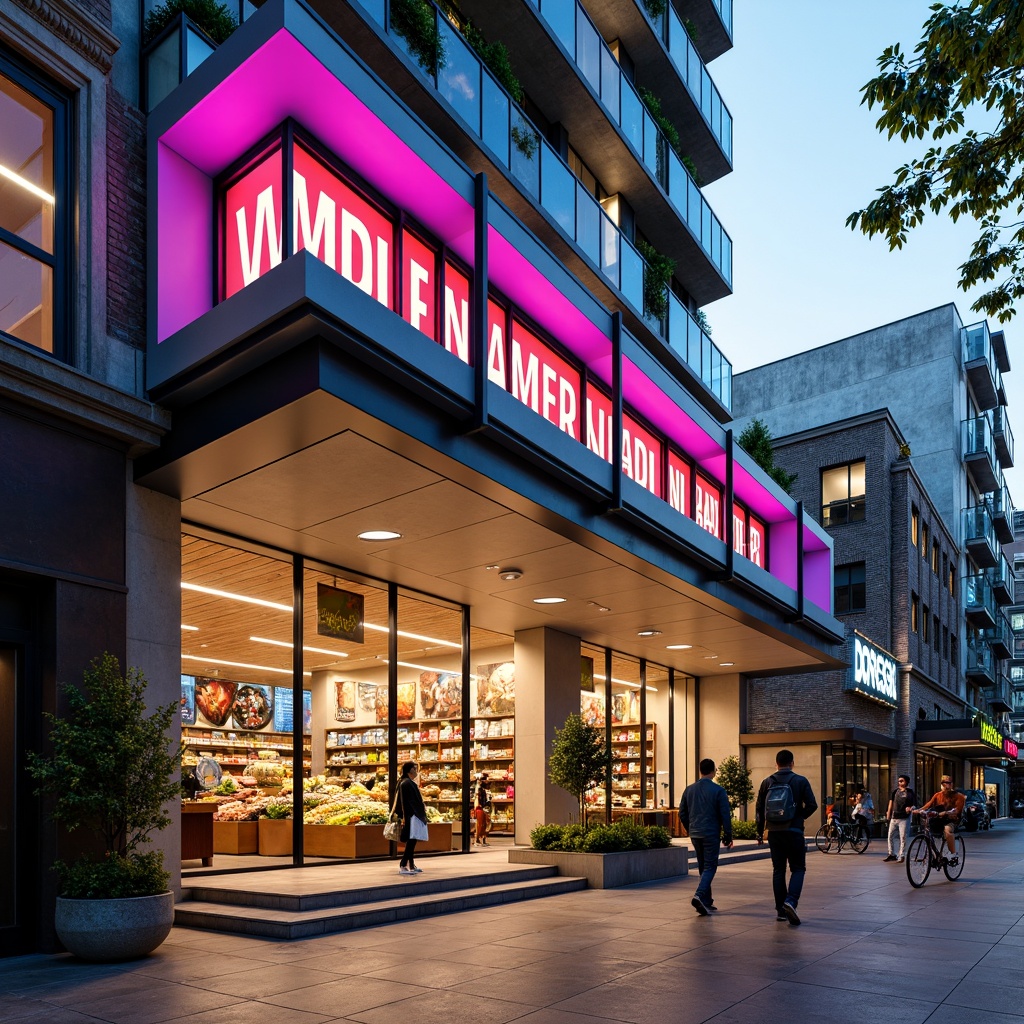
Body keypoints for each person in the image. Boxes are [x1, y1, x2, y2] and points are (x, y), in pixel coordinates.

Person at [755, 749, 817, 926]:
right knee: (798, 868)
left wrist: (760, 833)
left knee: (778, 870)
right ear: (792, 763)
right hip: (794, 830)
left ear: (776, 764)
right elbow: (812, 805)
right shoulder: (800, 780)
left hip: (774, 832)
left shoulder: (767, 782)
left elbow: (759, 810)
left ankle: (780, 911)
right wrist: (799, 817)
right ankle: (791, 901)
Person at [679, 758, 734, 916]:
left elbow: (682, 812)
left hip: (696, 833)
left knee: (703, 866)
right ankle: (699, 895)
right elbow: (725, 815)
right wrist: (728, 835)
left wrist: (690, 828)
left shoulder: (689, 790)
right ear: (713, 771)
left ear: (700, 771)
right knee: (710, 866)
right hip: (710, 833)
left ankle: (707, 900)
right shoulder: (718, 790)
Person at [913, 775, 964, 858]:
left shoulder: (959, 796)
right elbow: (929, 804)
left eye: (948, 783)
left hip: (951, 820)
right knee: (929, 830)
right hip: (938, 819)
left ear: (952, 785)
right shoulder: (938, 795)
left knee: (947, 830)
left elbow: (957, 810)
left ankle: (953, 854)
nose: (946, 786)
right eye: (943, 784)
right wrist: (919, 810)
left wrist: (947, 812)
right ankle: (935, 853)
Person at [396, 761, 429, 875]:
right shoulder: (406, 783)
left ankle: (411, 864)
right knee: (411, 840)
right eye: (415, 769)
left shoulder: (407, 782)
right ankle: (403, 864)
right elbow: (407, 802)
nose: (416, 771)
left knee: (412, 840)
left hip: (413, 815)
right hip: (412, 816)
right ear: (410, 770)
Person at [884, 775, 916, 862]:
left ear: (906, 782)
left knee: (903, 838)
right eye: (899, 781)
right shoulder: (895, 792)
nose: (900, 783)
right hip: (894, 818)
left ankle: (901, 855)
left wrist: (910, 808)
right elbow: (891, 803)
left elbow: (914, 805)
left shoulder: (910, 793)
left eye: (901, 781)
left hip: (904, 818)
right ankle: (891, 854)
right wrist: (888, 813)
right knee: (890, 836)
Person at [473, 772, 491, 846]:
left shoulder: (486, 789)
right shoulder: (479, 789)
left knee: (486, 824)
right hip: (480, 808)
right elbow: (477, 798)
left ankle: (483, 838)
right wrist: (477, 807)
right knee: (480, 824)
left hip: (486, 808)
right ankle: (477, 839)